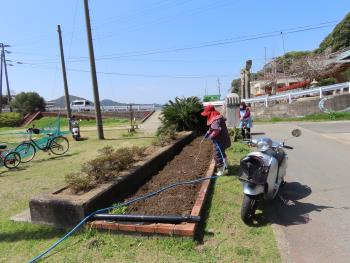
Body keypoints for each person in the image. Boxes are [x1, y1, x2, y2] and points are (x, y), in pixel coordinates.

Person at [201, 105, 231, 176]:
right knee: (222, 153)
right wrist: (208, 133)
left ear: (210, 112)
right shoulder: (217, 117)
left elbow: (216, 130)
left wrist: (210, 136)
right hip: (223, 138)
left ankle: (221, 171)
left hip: (219, 140)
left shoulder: (216, 120)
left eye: (207, 113)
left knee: (217, 154)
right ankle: (226, 166)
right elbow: (212, 128)